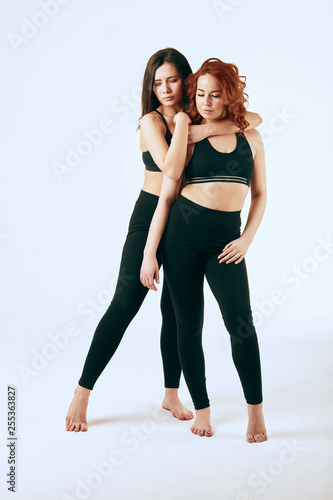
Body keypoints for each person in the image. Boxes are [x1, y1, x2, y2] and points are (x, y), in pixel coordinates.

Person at [66, 49, 263, 432]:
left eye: (173, 80)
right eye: (157, 82)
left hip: (186, 223)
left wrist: (204, 127)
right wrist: (199, 129)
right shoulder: (152, 122)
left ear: (186, 81)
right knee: (125, 303)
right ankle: (82, 391)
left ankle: (171, 393)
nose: (165, 89)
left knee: (175, 313)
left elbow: (252, 119)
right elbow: (171, 168)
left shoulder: (199, 113)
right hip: (151, 215)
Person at [140, 58, 267, 443]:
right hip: (182, 237)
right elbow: (166, 194)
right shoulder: (188, 131)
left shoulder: (251, 137)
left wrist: (246, 238)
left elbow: (260, 195)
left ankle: (256, 412)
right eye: (200, 94)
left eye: (215, 94)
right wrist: (149, 253)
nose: (207, 101)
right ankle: (203, 408)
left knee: (240, 325)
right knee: (188, 325)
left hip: (226, 242)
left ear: (229, 96)